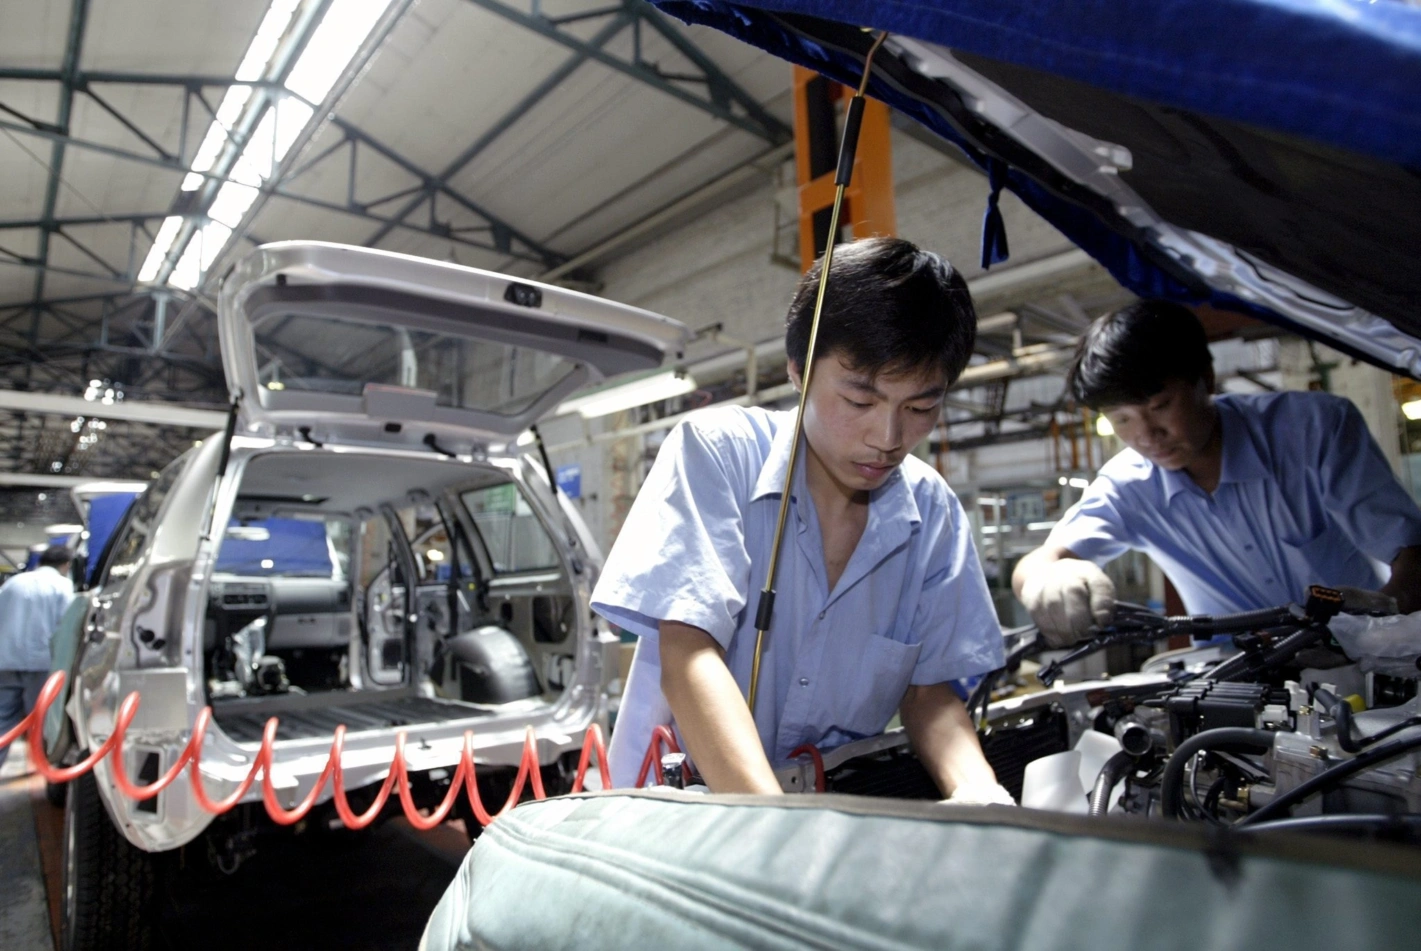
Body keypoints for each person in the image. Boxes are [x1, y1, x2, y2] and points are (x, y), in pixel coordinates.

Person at [593, 237, 1011, 803]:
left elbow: (928, 693)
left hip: (827, 818)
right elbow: (688, 653)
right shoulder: (719, 455)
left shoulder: (931, 513)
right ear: (798, 369)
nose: (887, 439)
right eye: (860, 400)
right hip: (685, 810)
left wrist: (984, 799)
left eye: (919, 408)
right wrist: (776, 828)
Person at [1013, 300, 1421, 647]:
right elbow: (1037, 563)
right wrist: (1050, 578)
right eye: (1121, 419)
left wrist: (1380, 625)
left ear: (1205, 379)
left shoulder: (1314, 432)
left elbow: (1413, 556)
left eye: (1159, 406)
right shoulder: (1129, 486)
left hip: (1360, 659)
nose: (1146, 435)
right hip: (1235, 685)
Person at [0, 545, 76, 770]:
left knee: (2, 722)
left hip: (5, 661)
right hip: (41, 665)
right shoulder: (62, 585)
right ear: (66, 565)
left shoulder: (13, 583)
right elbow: (67, 628)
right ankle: (48, 773)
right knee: (43, 722)